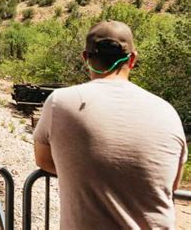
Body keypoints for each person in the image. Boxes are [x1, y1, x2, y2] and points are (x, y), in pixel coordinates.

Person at [33, 20, 187, 229]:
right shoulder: (168, 112)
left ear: (85, 58)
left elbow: (43, 160)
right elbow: (171, 183)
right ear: (132, 59)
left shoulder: (60, 102)